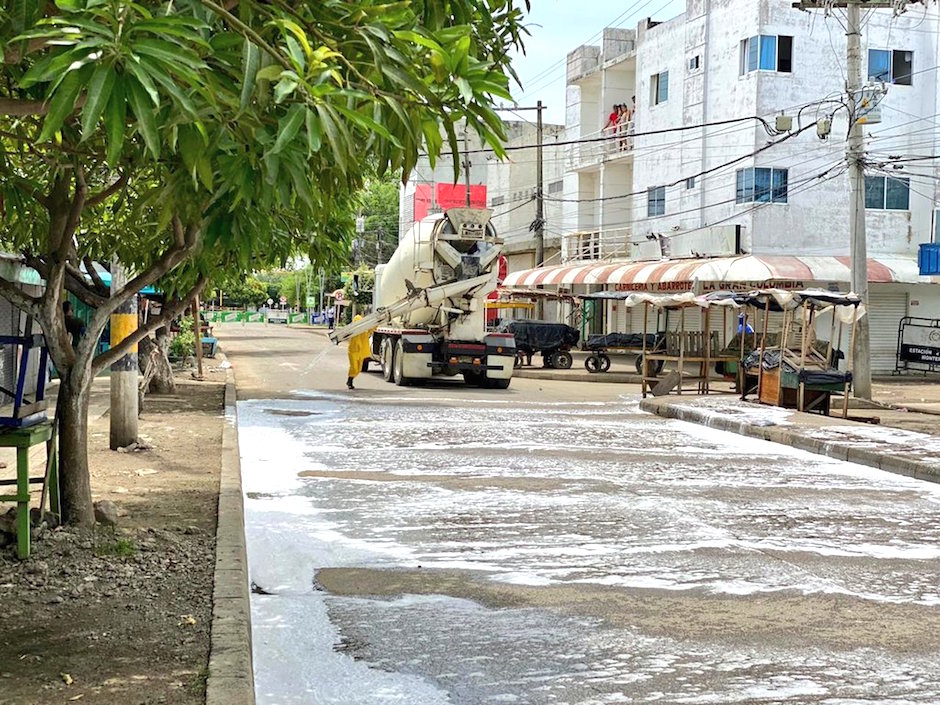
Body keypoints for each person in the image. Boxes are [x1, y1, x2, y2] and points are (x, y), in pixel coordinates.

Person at [346, 315, 374, 390]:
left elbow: (371, 330)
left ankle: (350, 379)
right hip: (353, 351)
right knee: (354, 367)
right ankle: (349, 381)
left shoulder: (364, 330)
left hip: (361, 352)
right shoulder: (352, 330)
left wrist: (375, 323)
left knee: (358, 368)